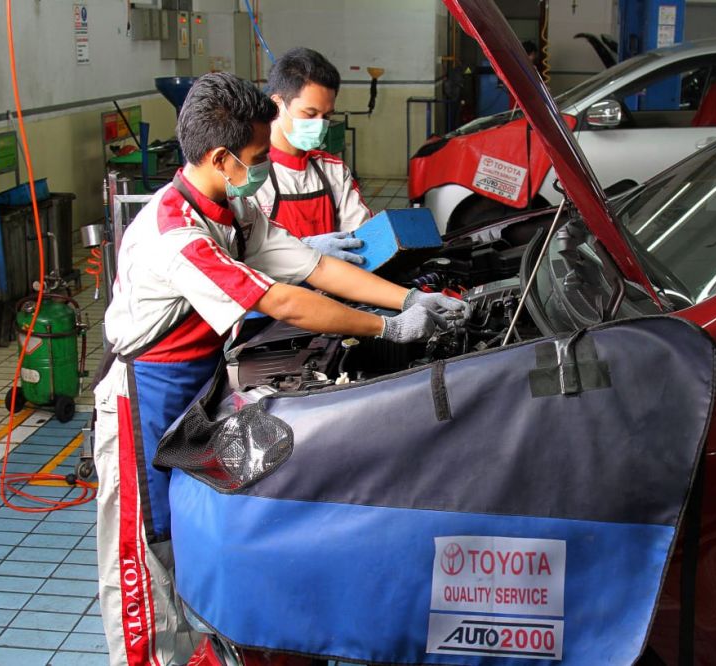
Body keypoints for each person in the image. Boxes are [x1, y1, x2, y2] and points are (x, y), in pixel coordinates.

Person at [94, 72, 469, 666]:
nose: (266, 166)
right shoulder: (177, 236)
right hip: (143, 396)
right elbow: (280, 300)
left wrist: (407, 302)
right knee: (145, 551)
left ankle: (200, 651)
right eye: (256, 157)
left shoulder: (232, 208)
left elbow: (312, 269)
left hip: (196, 385)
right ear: (220, 158)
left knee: (191, 533)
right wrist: (383, 328)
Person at [255, 47, 371, 265]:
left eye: (326, 115)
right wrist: (304, 250)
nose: (319, 124)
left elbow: (362, 236)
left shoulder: (334, 170)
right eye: (309, 114)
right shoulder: (251, 174)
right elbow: (245, 255)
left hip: (336, 287)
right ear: (277, 104)